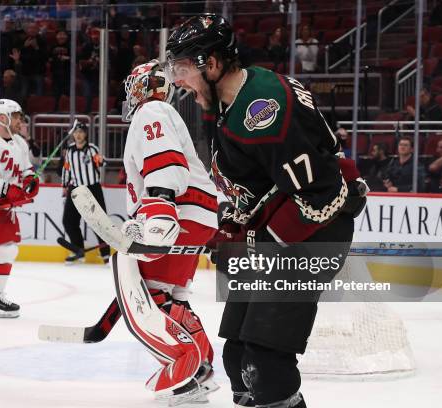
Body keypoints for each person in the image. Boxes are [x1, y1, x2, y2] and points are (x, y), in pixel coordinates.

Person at [166, 14, 366, 408]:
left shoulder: (263, 110)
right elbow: (261, 188)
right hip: (287, 228)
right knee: (238, 358)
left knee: (264, 361)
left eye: (183, 67)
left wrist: (254, 242)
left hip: (316, 232)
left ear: (214, 63)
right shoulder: (232, 100)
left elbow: (321, 193)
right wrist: (233, 227)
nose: (176, 79)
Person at [120, 59, 220, 404]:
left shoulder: (151, 112)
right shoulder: (162, 113)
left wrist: (160, 212)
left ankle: (184, 371)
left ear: (143, 87)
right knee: (173, 297)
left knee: (149, 300)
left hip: (177, 214)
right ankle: (202, 369)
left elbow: (165, 163)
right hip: (196, 216)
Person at [0, 99, 39, 318]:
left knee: (9, 249)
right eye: (16, 116)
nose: (20, 120)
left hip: (5, 206)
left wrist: (30, 181)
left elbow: (27, 170)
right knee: (4, 249)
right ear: (2, 117)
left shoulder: (20, 143)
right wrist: (7, 189)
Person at [60, 122, 110, 263]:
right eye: (76, 132)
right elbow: (66, 169)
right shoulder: (69, 150)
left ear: (85, 134)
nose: (78, 134)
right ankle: (78, 251)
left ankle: (105, 254)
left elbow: (102, 163)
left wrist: (101, 160)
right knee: (69, 221)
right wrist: (64, 186)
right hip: (75, 189)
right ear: (73, 134)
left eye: (81, 132)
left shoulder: (92, 149)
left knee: (100, 222)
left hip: (92, 188)